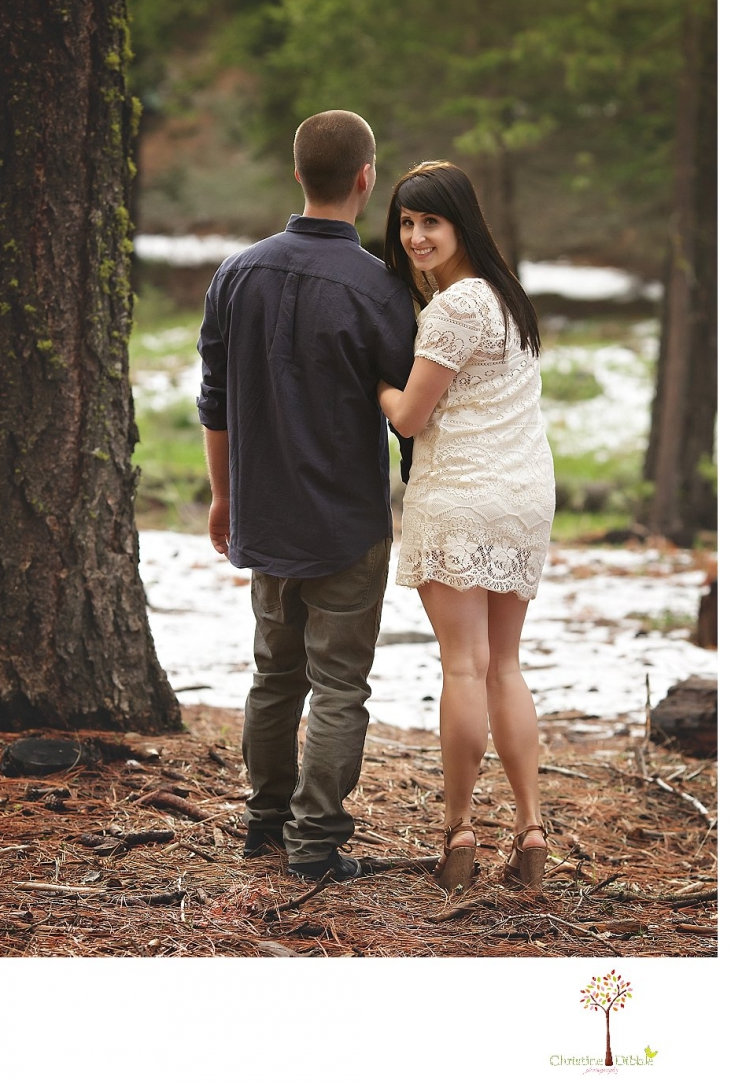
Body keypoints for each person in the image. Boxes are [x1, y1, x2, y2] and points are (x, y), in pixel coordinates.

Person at [197, 110, 417, 883]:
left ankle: (264, 823)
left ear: (297, 173)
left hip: (265, 513)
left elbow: (215, 401)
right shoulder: (383, 288)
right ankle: (315, 841)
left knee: (275, 675)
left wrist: (223, 498)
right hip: (348, 522)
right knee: (339, 685)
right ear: (366, 177)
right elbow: (411, 415)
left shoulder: (236, 274)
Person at [378, 160, 555, 893]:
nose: (416, 237)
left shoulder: (455, 307)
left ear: (462, 224)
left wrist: (375, 380)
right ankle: (532, 827)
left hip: (460, 495)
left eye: (431, 222)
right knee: (504, 665)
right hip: (523, 495)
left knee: (462, 667)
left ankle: (458, 828)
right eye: (406, 222)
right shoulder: (508, 296)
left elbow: (409, 417)